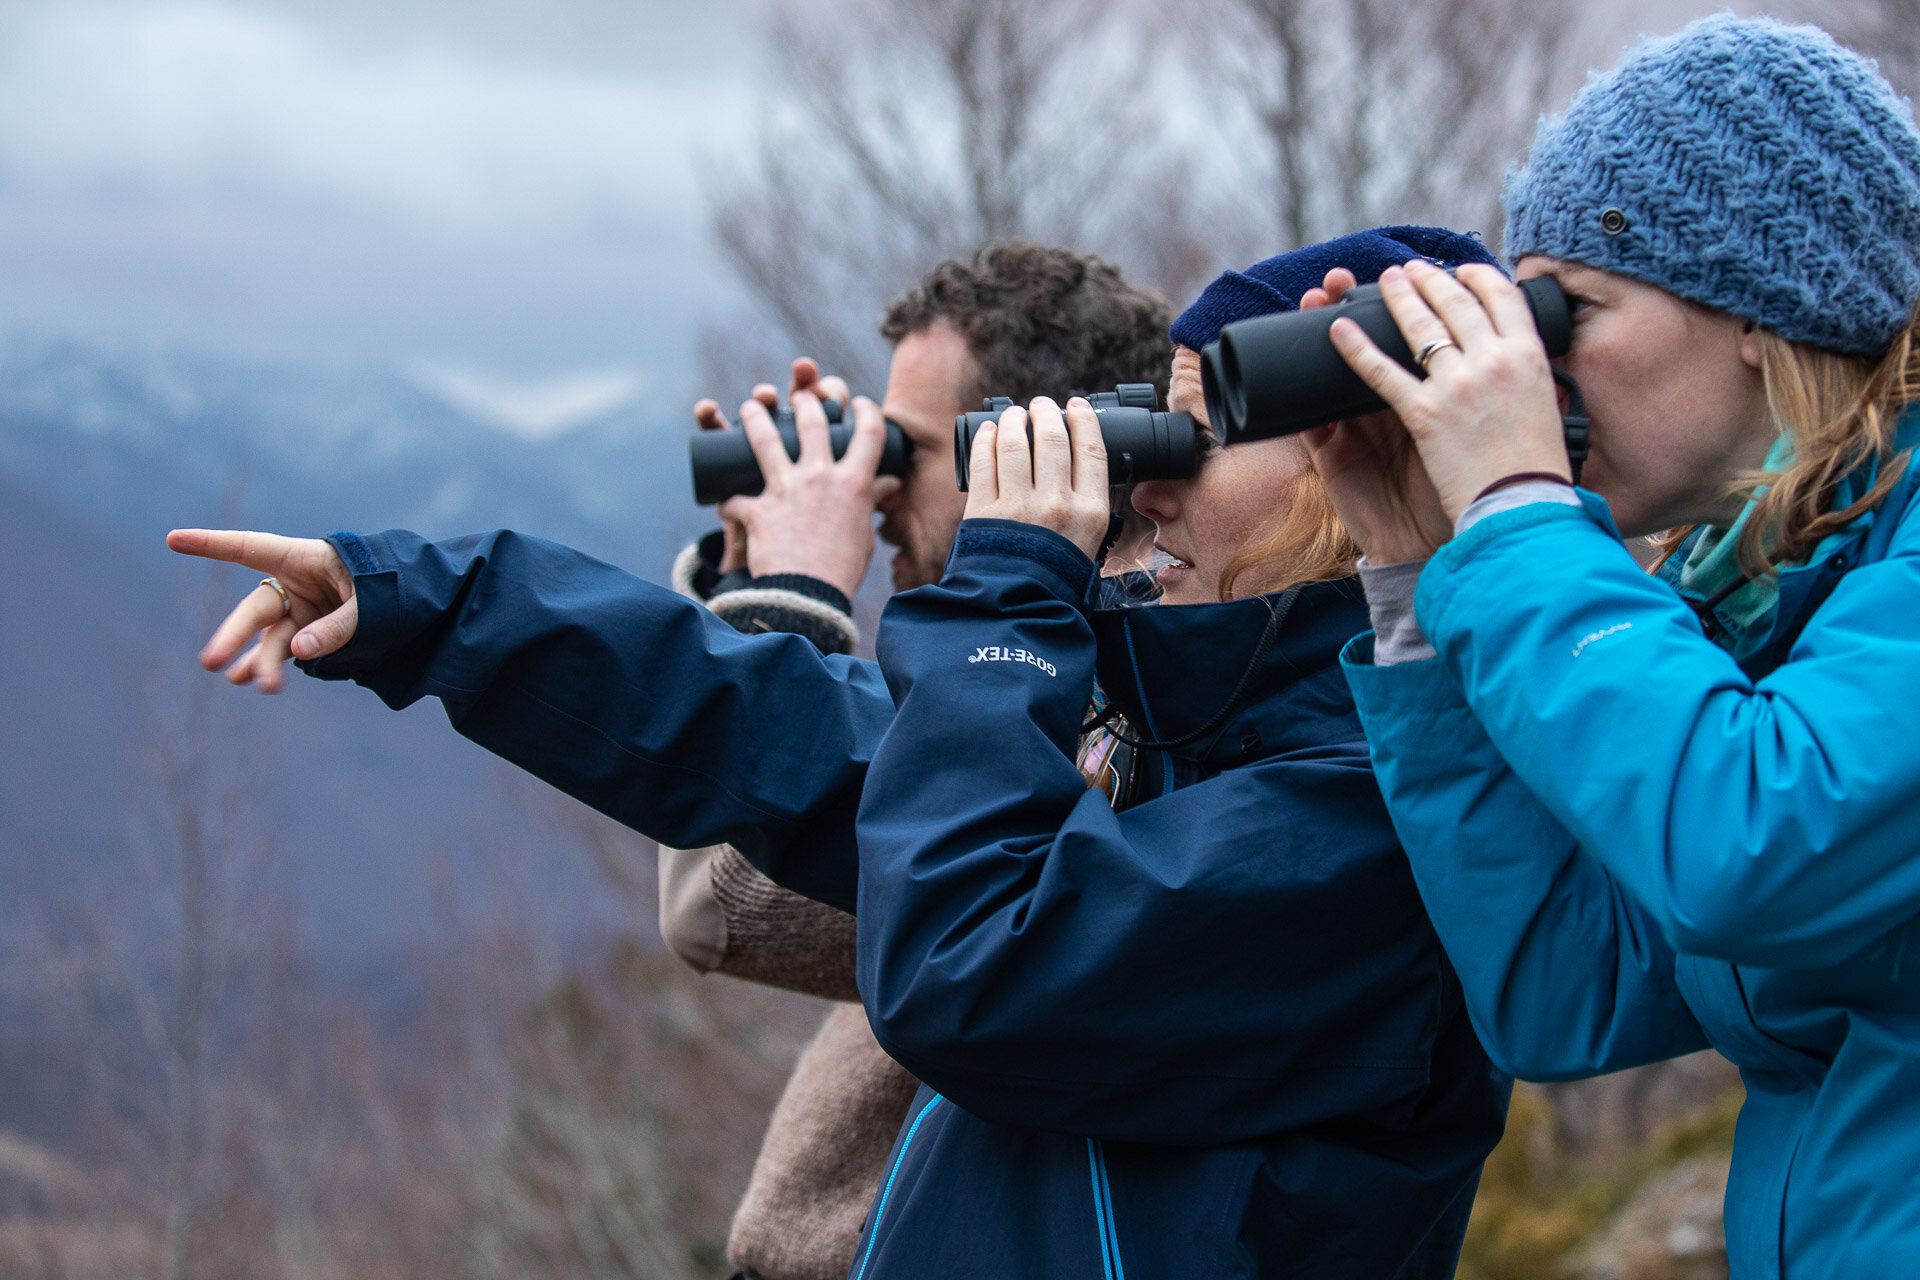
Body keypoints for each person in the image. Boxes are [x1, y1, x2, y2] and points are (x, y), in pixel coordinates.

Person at [169, 227, 1513, 1278]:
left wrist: (1005, 592)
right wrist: (432, 603)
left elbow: (974, 963)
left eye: (1200, 433)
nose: (1145, 481)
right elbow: (795, 739)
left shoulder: (1383, 822)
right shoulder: (1178, 732)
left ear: (1354, 474)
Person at [1306, 17, 1920, 1277]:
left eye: (1568, 310)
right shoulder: (1775, 594)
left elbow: (1749, 843)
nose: (1545, 371)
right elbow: (1567, 985)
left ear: (1761, 303)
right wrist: (1423, 585)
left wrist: (1523, 513)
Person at [659, 244, 1173, 1280]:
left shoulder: (1087, 719)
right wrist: (748, 571)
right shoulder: (1031, 684)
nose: (878, 484)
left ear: (1025, 451)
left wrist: (792, 600)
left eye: (912, 449)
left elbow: (720, 902)